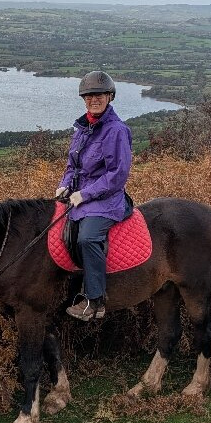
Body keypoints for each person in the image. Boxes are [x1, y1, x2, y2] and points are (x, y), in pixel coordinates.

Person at [56, 70, 133, 321]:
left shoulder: (116, 130)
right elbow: (72, 166)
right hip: (80, 198)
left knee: (88, 238)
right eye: (89, 96)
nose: (94, 100)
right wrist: (65, 185)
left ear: (109, 97)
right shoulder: (82, 129)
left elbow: (117, 175)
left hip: (106, 201)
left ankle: (95, 301)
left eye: (99, 95)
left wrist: (85, 194)